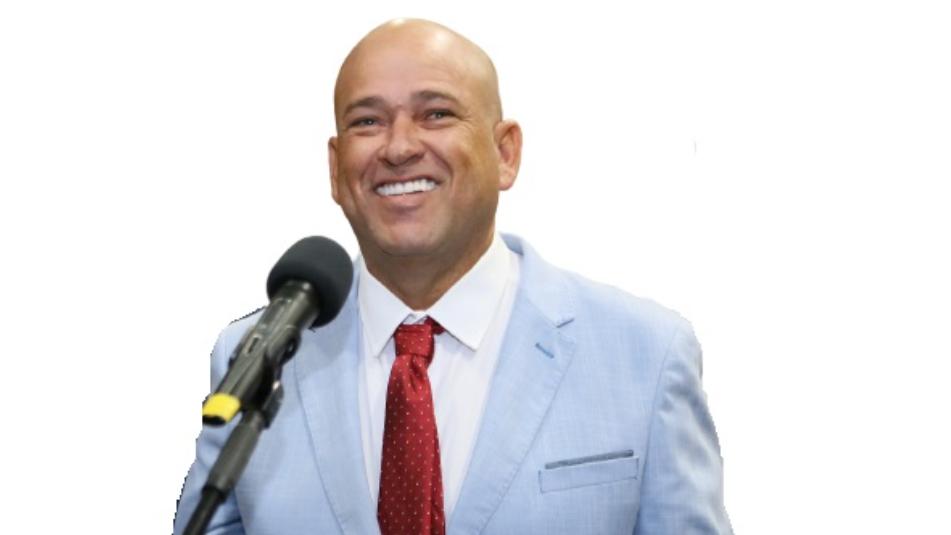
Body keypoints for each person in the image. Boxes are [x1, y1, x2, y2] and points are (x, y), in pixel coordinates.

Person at [174, 18, 732, 535]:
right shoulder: (259, 355)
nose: (398, 147)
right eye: (367, 121)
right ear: (336, 170)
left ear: (505, 153)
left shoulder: (647, 354)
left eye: (436, 114)